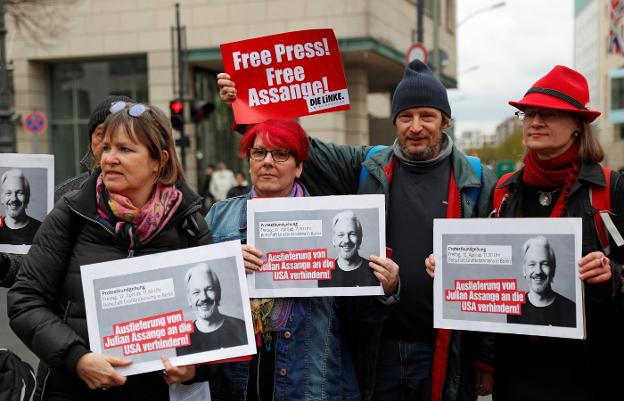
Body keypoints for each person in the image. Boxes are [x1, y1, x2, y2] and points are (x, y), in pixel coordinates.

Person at [218, 59, 496, 401]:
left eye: (427, 116)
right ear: (395, 121)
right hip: (378, 347)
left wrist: (486, 356)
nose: (416, 126)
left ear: (446, 121)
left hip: (445, 345)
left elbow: (493, 271)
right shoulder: (367, 165)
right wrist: (247, 105)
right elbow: (298, 149)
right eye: (406, 117)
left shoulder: (477, 180)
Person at [427, 65, 624, 401]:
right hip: (517, 371)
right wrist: (451, 269)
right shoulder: (504, 192)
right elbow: (493, 276)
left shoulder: (610, 188)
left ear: (579, 125)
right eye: (528, 113)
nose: (535, 121)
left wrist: (611, 278)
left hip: (590, 370)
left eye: (548, 113)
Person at [8, 100, 213, 400]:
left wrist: (197, 367)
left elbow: (216, 322)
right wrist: (77, 359)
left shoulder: (189, 224)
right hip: (72, 391)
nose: (110, 159)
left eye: (125, 149)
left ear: (159, 160)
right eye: (107, 148)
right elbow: (26, 300)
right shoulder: (72, 213)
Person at [205, 118, 399, 401]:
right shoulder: (219, 218)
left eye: (281, 154)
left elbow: (362, 314)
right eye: (259, 153)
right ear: (249, 162)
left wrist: (387, 286)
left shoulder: (332, 219)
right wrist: (226, 268)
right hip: (238, 383)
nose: (268, 161)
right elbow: (197, 301)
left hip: (310, 383)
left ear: (299, 167)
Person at [0, 94, 134, 288]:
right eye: (102, 132)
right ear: (90, 141)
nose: (110, 143)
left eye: (122, 134)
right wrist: (4, 265)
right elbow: (35, 270)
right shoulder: (65, 199)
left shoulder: (176, 204)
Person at [176, 263, 246, 356]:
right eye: (196, 292)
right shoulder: (183, 340)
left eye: (209, 289)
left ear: (219, 293)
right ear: (189, 299)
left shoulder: (241, 328)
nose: (204, 298)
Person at [507, 236, 575, 327]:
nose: (538, 271)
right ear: (524, 270)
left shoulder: (571, 309)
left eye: (544, 264)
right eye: (532, 264)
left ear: (553, 270)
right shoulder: (514, 309)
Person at [318, 210, 379, 288]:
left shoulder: (375, 271)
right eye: (341, 235)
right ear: (334, 240)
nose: (346, 240)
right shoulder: (324, 274)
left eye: (352, 234)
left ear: (360, 238)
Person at [0, 169, 42, 245]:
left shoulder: (41, 229)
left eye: (20, 193)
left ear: (27, 198)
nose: (14, 199)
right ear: (2, 198)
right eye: (8, 193)